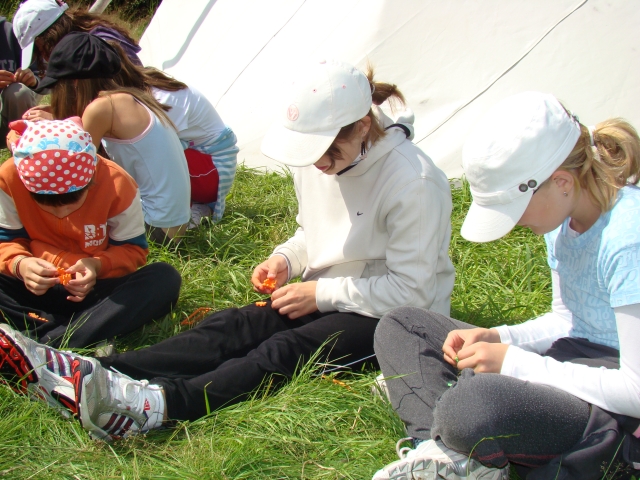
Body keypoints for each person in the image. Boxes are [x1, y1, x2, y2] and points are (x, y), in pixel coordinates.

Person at [0, 59, 455, 441]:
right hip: (330, 292)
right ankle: (104, 372)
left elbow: (412, 291)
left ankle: (160, 405)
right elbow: (313, 231)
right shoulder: (323, 158)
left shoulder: (413, 183)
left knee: (284, 350)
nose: (318, 163)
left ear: (362, 126)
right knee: (234, 324)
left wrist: (319, 294)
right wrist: (286, 258)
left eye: (327, 150)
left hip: (394, 320)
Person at [372, 92, 640, 480]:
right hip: (569, 360)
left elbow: (635, 388)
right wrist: (499, 336)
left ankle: (445, 426)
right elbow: (568, 320)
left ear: (562, 182)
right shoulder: (564, 218)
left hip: (611, 399)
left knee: (470, 406)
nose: (513, 224)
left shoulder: (628, 239)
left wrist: (514, 362)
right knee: (401, 326)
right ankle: (446, 453)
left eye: (515, 209)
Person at [0, 118, 181, 354]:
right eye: (45, 203)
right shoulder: (10, 177)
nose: (60, 212)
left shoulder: (117, 184)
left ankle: (48, 338)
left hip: (97, 289)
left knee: (164, 278)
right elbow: (6, 240)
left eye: (71, 201)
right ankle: (86, 332)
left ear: (91, 179)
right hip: (33, 285)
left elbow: (133, 250)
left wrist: (96, 265)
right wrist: (20, 264)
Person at [26, 42, 239, 226]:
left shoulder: (154, 98)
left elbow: (81, 165)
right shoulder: (136, 97)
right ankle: (189, 210)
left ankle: (191, 208)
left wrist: (45, 135)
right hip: (183, 192)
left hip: (211, 166)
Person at [30, 32, 193, 242]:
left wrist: (41, 132)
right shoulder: (128, 99)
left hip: (155, 228)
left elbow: (75, 171)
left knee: (60, 208)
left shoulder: (100, 109)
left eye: (57, 87)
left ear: (75, 82)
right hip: (172, 225)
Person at [12, 0, 142, 75]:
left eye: (41, 49)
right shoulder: (85, 43)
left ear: (51, 35)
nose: (45, 57)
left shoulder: (97, 50)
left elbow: (114, 102)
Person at [0, 14, 39, 147]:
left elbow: (43, 78)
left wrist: (32, 79)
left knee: (19, 92)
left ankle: (25, 149)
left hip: (10, 114)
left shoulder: (11, 32)